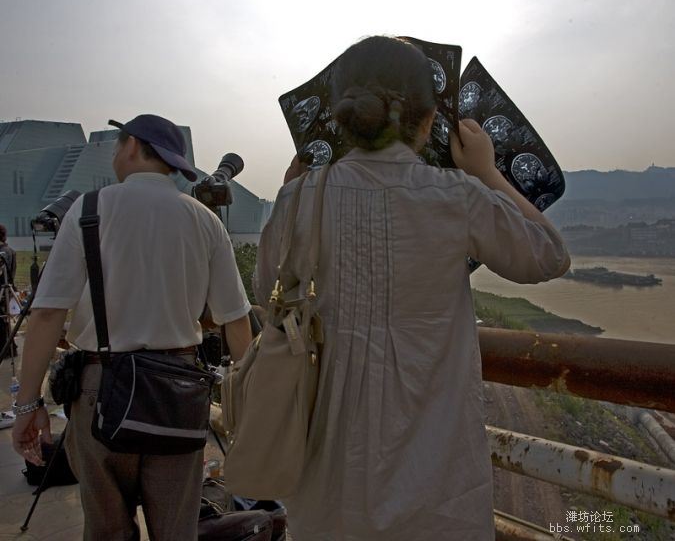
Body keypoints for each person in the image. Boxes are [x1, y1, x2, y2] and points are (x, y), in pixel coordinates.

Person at [254, 36, 570, 541]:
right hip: (437, 483)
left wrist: (290, 190)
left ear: (340, 119)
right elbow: (549, 255)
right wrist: (486, 171)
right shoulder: (455, 195)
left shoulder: (299, 199)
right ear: (429, 122)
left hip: (328, 479)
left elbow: (265, 287)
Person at [12, 114, 252, 541]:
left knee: (106, 530)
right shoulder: (205, 220)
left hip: (100, 389)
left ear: (131, 146)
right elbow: (235, 319)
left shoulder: (89, 209)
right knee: (177, 530)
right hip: (178, 392)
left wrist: (29, 407)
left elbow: (47, 313)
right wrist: (248, 404)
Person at [0, 223, 17, 361]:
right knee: (6, 319)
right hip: (8, 288)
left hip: (2, 289)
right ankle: (10, 347)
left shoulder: (4, 253)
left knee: (3, 319)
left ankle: (7, 347)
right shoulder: (11, 250)